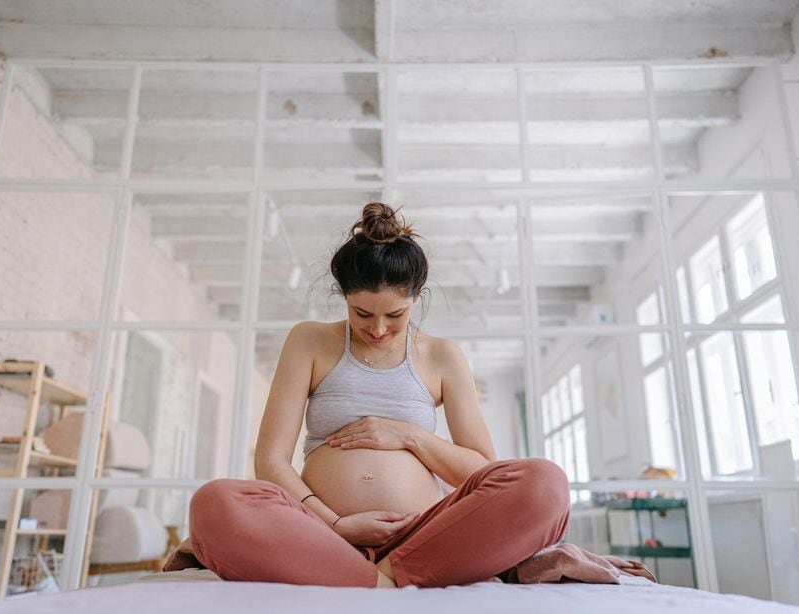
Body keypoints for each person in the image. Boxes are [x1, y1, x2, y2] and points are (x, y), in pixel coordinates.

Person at [187, 202, 570, 588]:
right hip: (321, 533)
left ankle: (382, 574)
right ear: (345, 297)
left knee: (545, 484)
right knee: (213, 503)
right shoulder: (310, 341)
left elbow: (481, 470)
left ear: (416, 298)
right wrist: (336, 524)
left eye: (396, 316)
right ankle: (381, 577)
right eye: (363, 314)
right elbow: (270, 461)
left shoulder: (442, 355)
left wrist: (408, 435)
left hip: (425, 532)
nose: (379, 329)